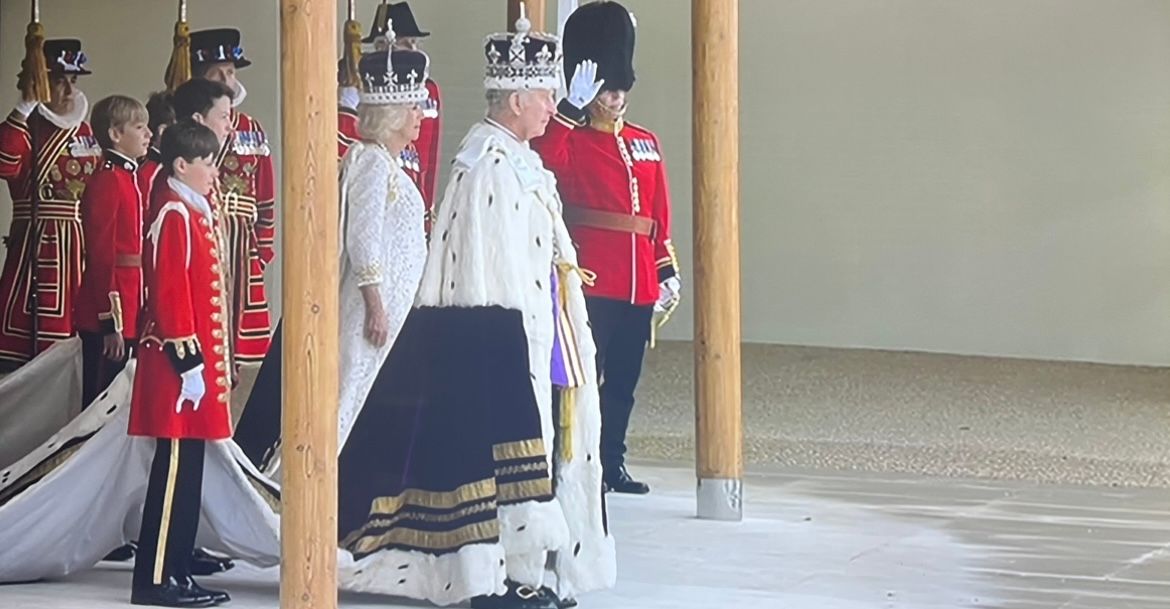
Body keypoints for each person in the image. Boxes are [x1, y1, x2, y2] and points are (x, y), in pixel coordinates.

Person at [328, 15, 614, 609]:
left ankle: (534, 569)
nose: (551, 104)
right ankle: (502, 574)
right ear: (515, 100)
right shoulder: (484, 162)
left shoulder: (520, 158)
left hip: (541, 336)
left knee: (552, 444)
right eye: (542, 95)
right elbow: (483, 273)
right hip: (500, 343)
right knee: (510, 455)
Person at [236, 42, 429, 478]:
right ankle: (291, 490)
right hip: (364, 313)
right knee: (339, 402)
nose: (421, 115)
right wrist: (375, 304)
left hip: (383, 314)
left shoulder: (388, 163)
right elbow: (362, 238)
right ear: (394, 113)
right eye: (414, 107)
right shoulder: (372, 163)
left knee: (357, 403)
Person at [532, 1, 680, 495]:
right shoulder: (571, 139)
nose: (615, 99)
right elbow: (543, 162)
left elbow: (658, 216)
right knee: (579, 382)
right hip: (593, 279)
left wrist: (664, 270)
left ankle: (612, 464)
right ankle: (572, 465)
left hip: (637, 284)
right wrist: (570, 110)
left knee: (621, 387)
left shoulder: (646, 141)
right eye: (607, 90)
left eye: (620, 90)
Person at [128, 119, 232, 607]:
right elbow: (170, 296)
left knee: (187, 470)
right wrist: (190, 363)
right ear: (181, 165)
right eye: (207, 162)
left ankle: (178, 568)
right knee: (171, 474)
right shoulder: (173, 213)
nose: (215, 170)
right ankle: (154, 580)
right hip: (175, 367)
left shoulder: (192, 209)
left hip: (188, 370)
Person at [0, 39, 102, 370]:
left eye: (73, 81)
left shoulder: (87, 132)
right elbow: (5, 164)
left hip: (80, 243)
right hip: (36, 243)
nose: (69, 89)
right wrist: (23, 106)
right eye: (59, 81)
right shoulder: (27, 128)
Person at [187, 28, 275, 366]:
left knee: (245, 342)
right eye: (218, 73)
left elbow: (265, 192)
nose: (228, 79)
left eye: (231, 71)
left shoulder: (251, 127)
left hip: (242, 240)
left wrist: (263, 247)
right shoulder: (186, 124)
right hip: (205, 233)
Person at [74, 95, 152, 409]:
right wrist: (111, 323)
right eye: (139, 127)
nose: (148, 134)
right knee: (99, 404)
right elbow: (102, 254)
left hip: (131, 303)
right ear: (115, 134)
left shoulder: (128, 178)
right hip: (109, 307)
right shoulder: (109, 180)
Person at [365, 1, 442, 228]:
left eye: (415, 44)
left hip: (413, 185)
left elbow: (430, 157)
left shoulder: (429, 90)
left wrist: (427, 211)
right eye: (407, 45)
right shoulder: (368, 89)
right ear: (384, 47)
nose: (415, 51)